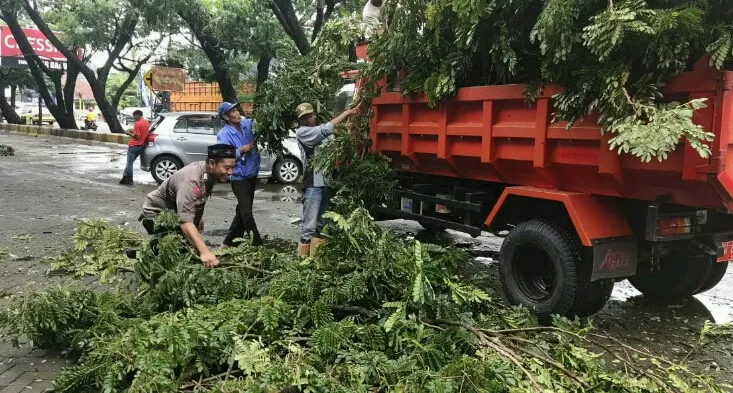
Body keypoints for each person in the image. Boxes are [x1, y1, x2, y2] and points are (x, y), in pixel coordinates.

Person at [138, 144, 236, 268]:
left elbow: (200, 193)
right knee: (175, 249)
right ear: (212, 163)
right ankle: (144, 256)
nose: (230, 172)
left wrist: (198, 217)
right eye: (227, 168)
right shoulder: (191, 181)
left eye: (232, 167)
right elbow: (184, 221)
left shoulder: (207, 173)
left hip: (173, 210)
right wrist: (205, 252)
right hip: (156, 213)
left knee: (189, 246)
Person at [295, 103, 358, 257]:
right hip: (313, 185)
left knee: (321, 225)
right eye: (305, 118)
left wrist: (348, 131)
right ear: (300, 121)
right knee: (309, 225)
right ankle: (302, 261)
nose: (309, 120)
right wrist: (347, 112)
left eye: (311, 116)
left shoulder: (322, 134)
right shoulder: (302, 133)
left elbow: (338, 145)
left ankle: (315, 260)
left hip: (326, 184)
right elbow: (326, 128)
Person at [215, 102, 263, 248]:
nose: (237, 113)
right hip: (238, 177)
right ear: (226, 117)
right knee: (246, 213)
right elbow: (220, 154)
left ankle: (228, 243)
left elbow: (260, 124)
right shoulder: (224, 134)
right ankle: (257, 245)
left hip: (251, 173)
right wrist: (240, 150)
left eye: (236, 110)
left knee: (242, 210)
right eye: (233, 111)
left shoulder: (246, 124)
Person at [119, 110, 149, 185]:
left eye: (134, 116)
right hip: (141, 146)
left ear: (138, 115)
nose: (134, 118)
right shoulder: (146, 122)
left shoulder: (137, 123)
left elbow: (136, 136)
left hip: (133, 145)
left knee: (129, 163)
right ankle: (125, 177)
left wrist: (128, 133)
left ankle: (129, 179)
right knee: (130, 162)